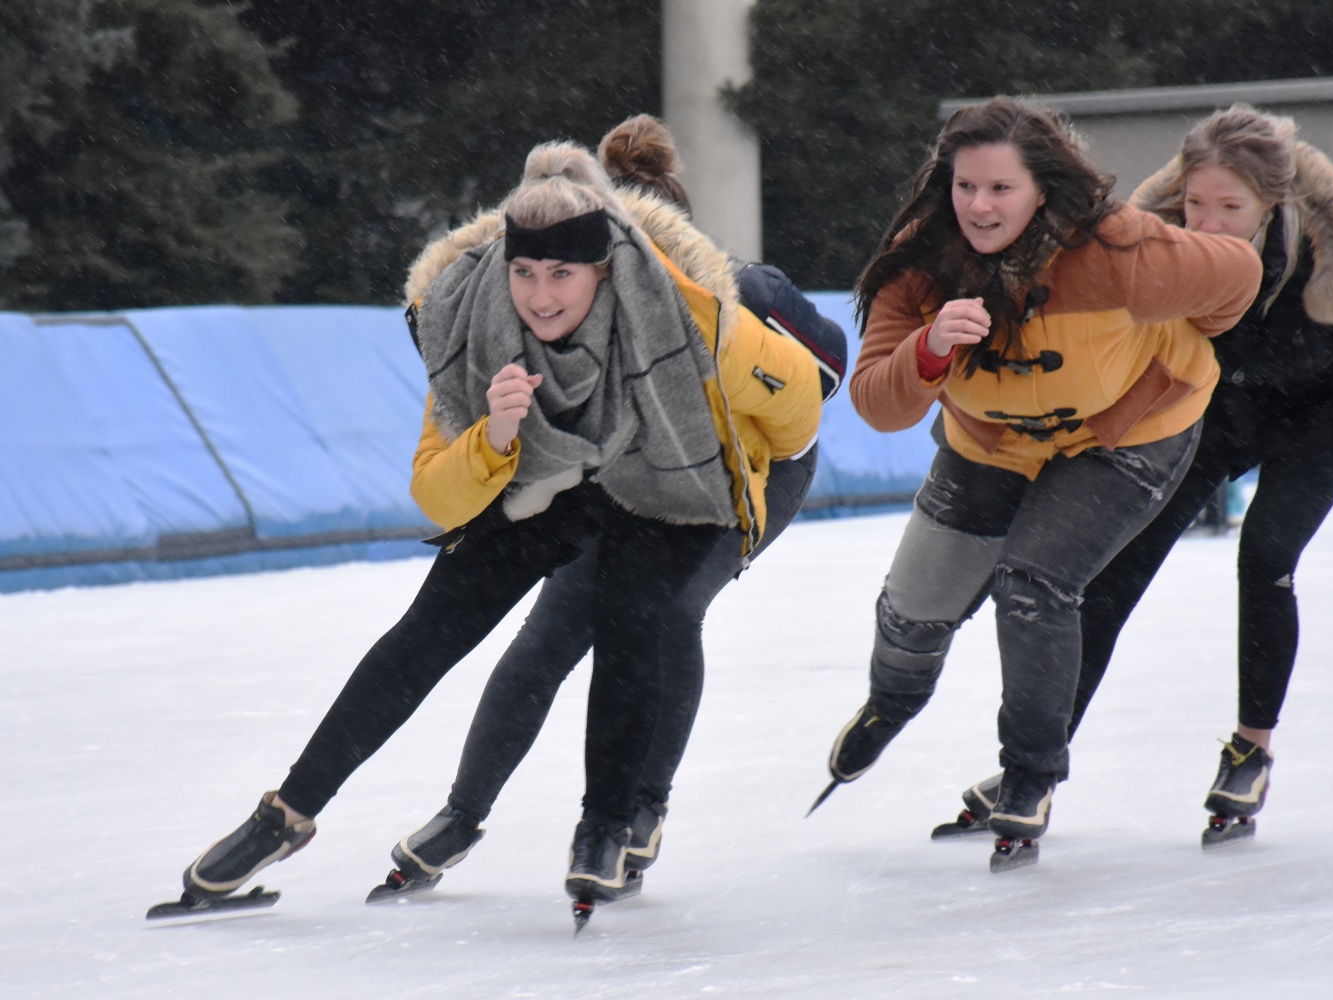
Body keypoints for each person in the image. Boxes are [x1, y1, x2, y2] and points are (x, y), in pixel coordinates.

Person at [170, 139, 821, 911]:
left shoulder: (696, 317)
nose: (540, 298)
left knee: (640, 615)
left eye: (562, 275)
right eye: (524, 272)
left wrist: (717, 491)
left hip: (686, 474)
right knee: (436, 625)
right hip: (557, 476)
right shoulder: (468, 322)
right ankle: (287, 813)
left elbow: (800, 409)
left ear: (605, 267)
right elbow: (436, 497)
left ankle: (611, 823)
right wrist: (496, 438)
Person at [381, 115, 848, 897]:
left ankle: (639, 808)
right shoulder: (535, 310)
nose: (547, 284)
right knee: (552, 632)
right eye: (531, 263)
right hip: (630, 479)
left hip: (748, 472)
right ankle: (462, 814)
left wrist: (731, 377)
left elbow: (825, 371)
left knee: (667, 616)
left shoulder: (738, 293)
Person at [943, 105, 1333, 843]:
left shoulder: (1329, 261)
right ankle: (1035, 762)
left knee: (1265, 556)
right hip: (1220, 411)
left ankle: (1250, 750)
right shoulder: (1163, 256)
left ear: (1273, 205)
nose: (1209, 223)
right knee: (1111, 570)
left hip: (1323, 416)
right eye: (1196, 204)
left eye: (1230, 208)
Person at [810, 96, 1263, 865]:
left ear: (1043, 189)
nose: (980, 207)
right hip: (990, 441)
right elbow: (876, 405)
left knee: (1033, 581)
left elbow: (1239, 270)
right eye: (966, 188)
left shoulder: (1118, 247)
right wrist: (927, 348)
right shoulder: (920, 263)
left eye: (1001, 189)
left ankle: (1028, 777)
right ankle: (890, 705)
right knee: (916, 610)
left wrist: (1195, 324)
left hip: (1124, 435)